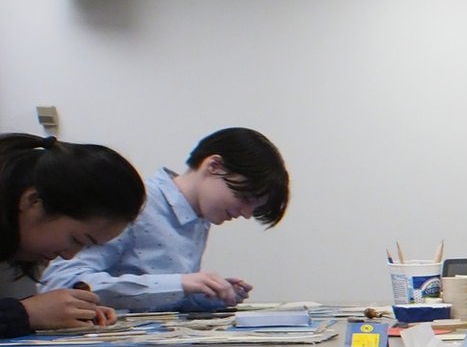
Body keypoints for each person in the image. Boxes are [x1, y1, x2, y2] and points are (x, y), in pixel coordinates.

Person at [44, 127, 290, 311]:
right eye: (245, 197)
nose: (245, 213)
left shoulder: (198, 219)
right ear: (214, 165)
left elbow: (160, 298)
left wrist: (208, 294)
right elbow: (60, 284)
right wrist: (180, 283)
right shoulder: (138, 204)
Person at [0, 133, 146, 338]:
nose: (69, 256)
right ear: (33, 201)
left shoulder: (17, 248)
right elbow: (23, 313)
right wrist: (26, 313)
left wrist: (64, 312)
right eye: (76, 240)